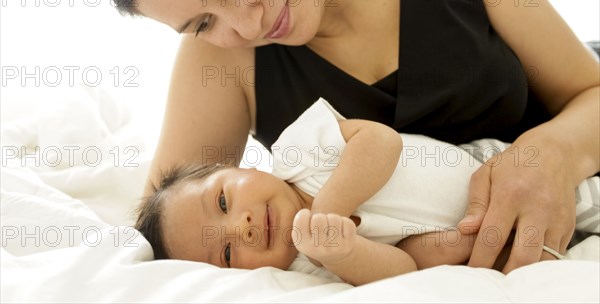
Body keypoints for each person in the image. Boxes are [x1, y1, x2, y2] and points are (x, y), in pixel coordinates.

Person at [86, 0, 600, 273]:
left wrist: (552, 151)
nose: (242, 27)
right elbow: (169, 229)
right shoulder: (221, 60)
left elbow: (590, 92)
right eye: (200, 23)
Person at [134, 98, 599, 286]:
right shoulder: (307, 267)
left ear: (238, 167)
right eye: (229, 254)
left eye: (222, 202)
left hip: (491, 167)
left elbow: (381, 142)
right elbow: (403, 268)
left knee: (587, 197)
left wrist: (332, 206)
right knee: (436, 254)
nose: (243, 226)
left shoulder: (298, 153)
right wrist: (341, 251)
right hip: (483, 231)